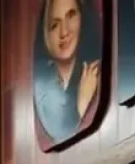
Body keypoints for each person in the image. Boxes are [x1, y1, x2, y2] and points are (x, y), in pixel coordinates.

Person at [32, 0, 102, 146]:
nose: (64, 32)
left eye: (71, 16)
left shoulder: (95, 72)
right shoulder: (42, 87)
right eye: (54, 25)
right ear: (45, 34)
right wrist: (81, 106)